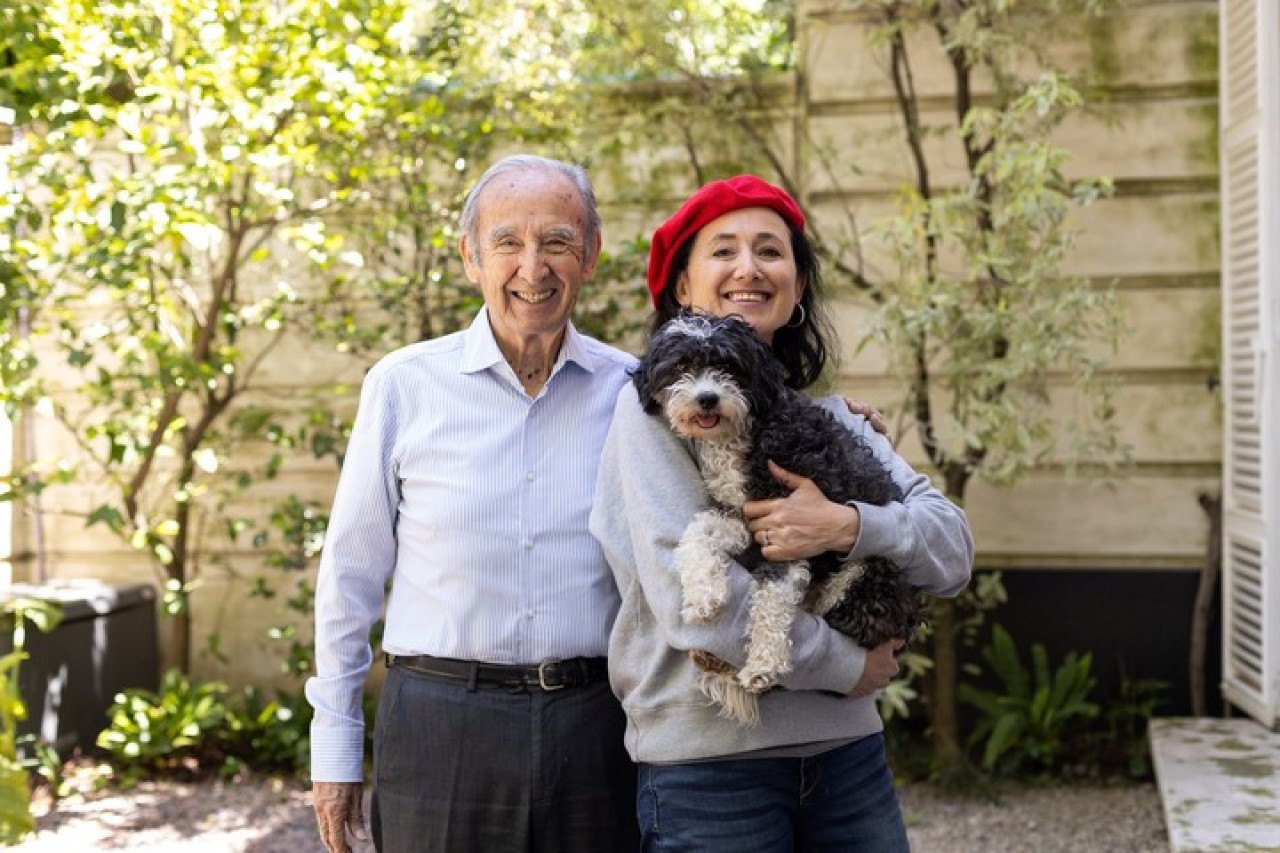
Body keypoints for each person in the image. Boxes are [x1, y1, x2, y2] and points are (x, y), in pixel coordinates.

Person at [589, 174, 975, 851]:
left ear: (796, 289)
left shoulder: (829, 418)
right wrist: (846, 668)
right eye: (724, 250)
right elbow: (692, 603)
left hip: (847, 757)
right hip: (709, 766)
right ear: (682, 285)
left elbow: (953, 552)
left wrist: (850, 525)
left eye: (770, 251)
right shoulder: (653, 415)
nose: (748, 267)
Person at [305, 155, 641, 853]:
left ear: (590, 255)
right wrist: (335, 750)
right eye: (507, 243)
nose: (532, 267)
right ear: (470, 256)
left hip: (597, 724)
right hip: (438, 726)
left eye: (555, 241)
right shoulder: (403, 385)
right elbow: (350, 574)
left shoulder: (634, 391)